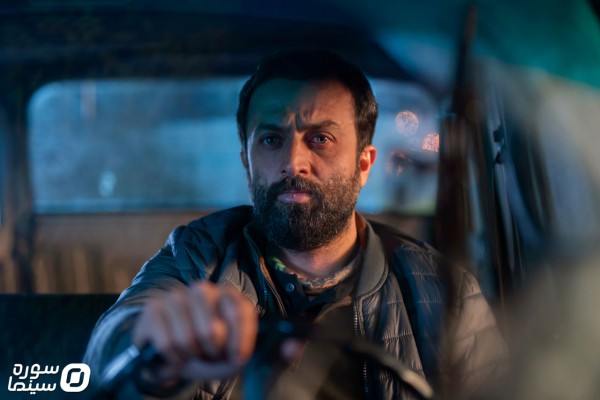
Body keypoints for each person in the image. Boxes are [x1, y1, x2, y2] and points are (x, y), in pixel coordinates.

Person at [85, 50, 507, 399]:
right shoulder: (196, 256)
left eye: (320, 139)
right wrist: (154, 351)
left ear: (363, 164)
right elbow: (111, 344)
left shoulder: (444, 292)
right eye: (271, 139)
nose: (293, 162)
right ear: (247, 162)